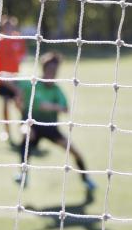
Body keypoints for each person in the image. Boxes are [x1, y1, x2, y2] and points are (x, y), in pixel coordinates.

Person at [14, 52, 96, 193]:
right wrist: (18, 95)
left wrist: (49, 106)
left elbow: (65, 108)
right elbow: (10, 81)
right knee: (26, 134)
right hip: (32, 125)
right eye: (50, 69)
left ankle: (86, 179)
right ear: (44, 69)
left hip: (51, 128)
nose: (52, 72)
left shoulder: (57, 90)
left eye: (55, 70)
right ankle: (23, 174)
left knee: (76, 152)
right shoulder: (32, 84)